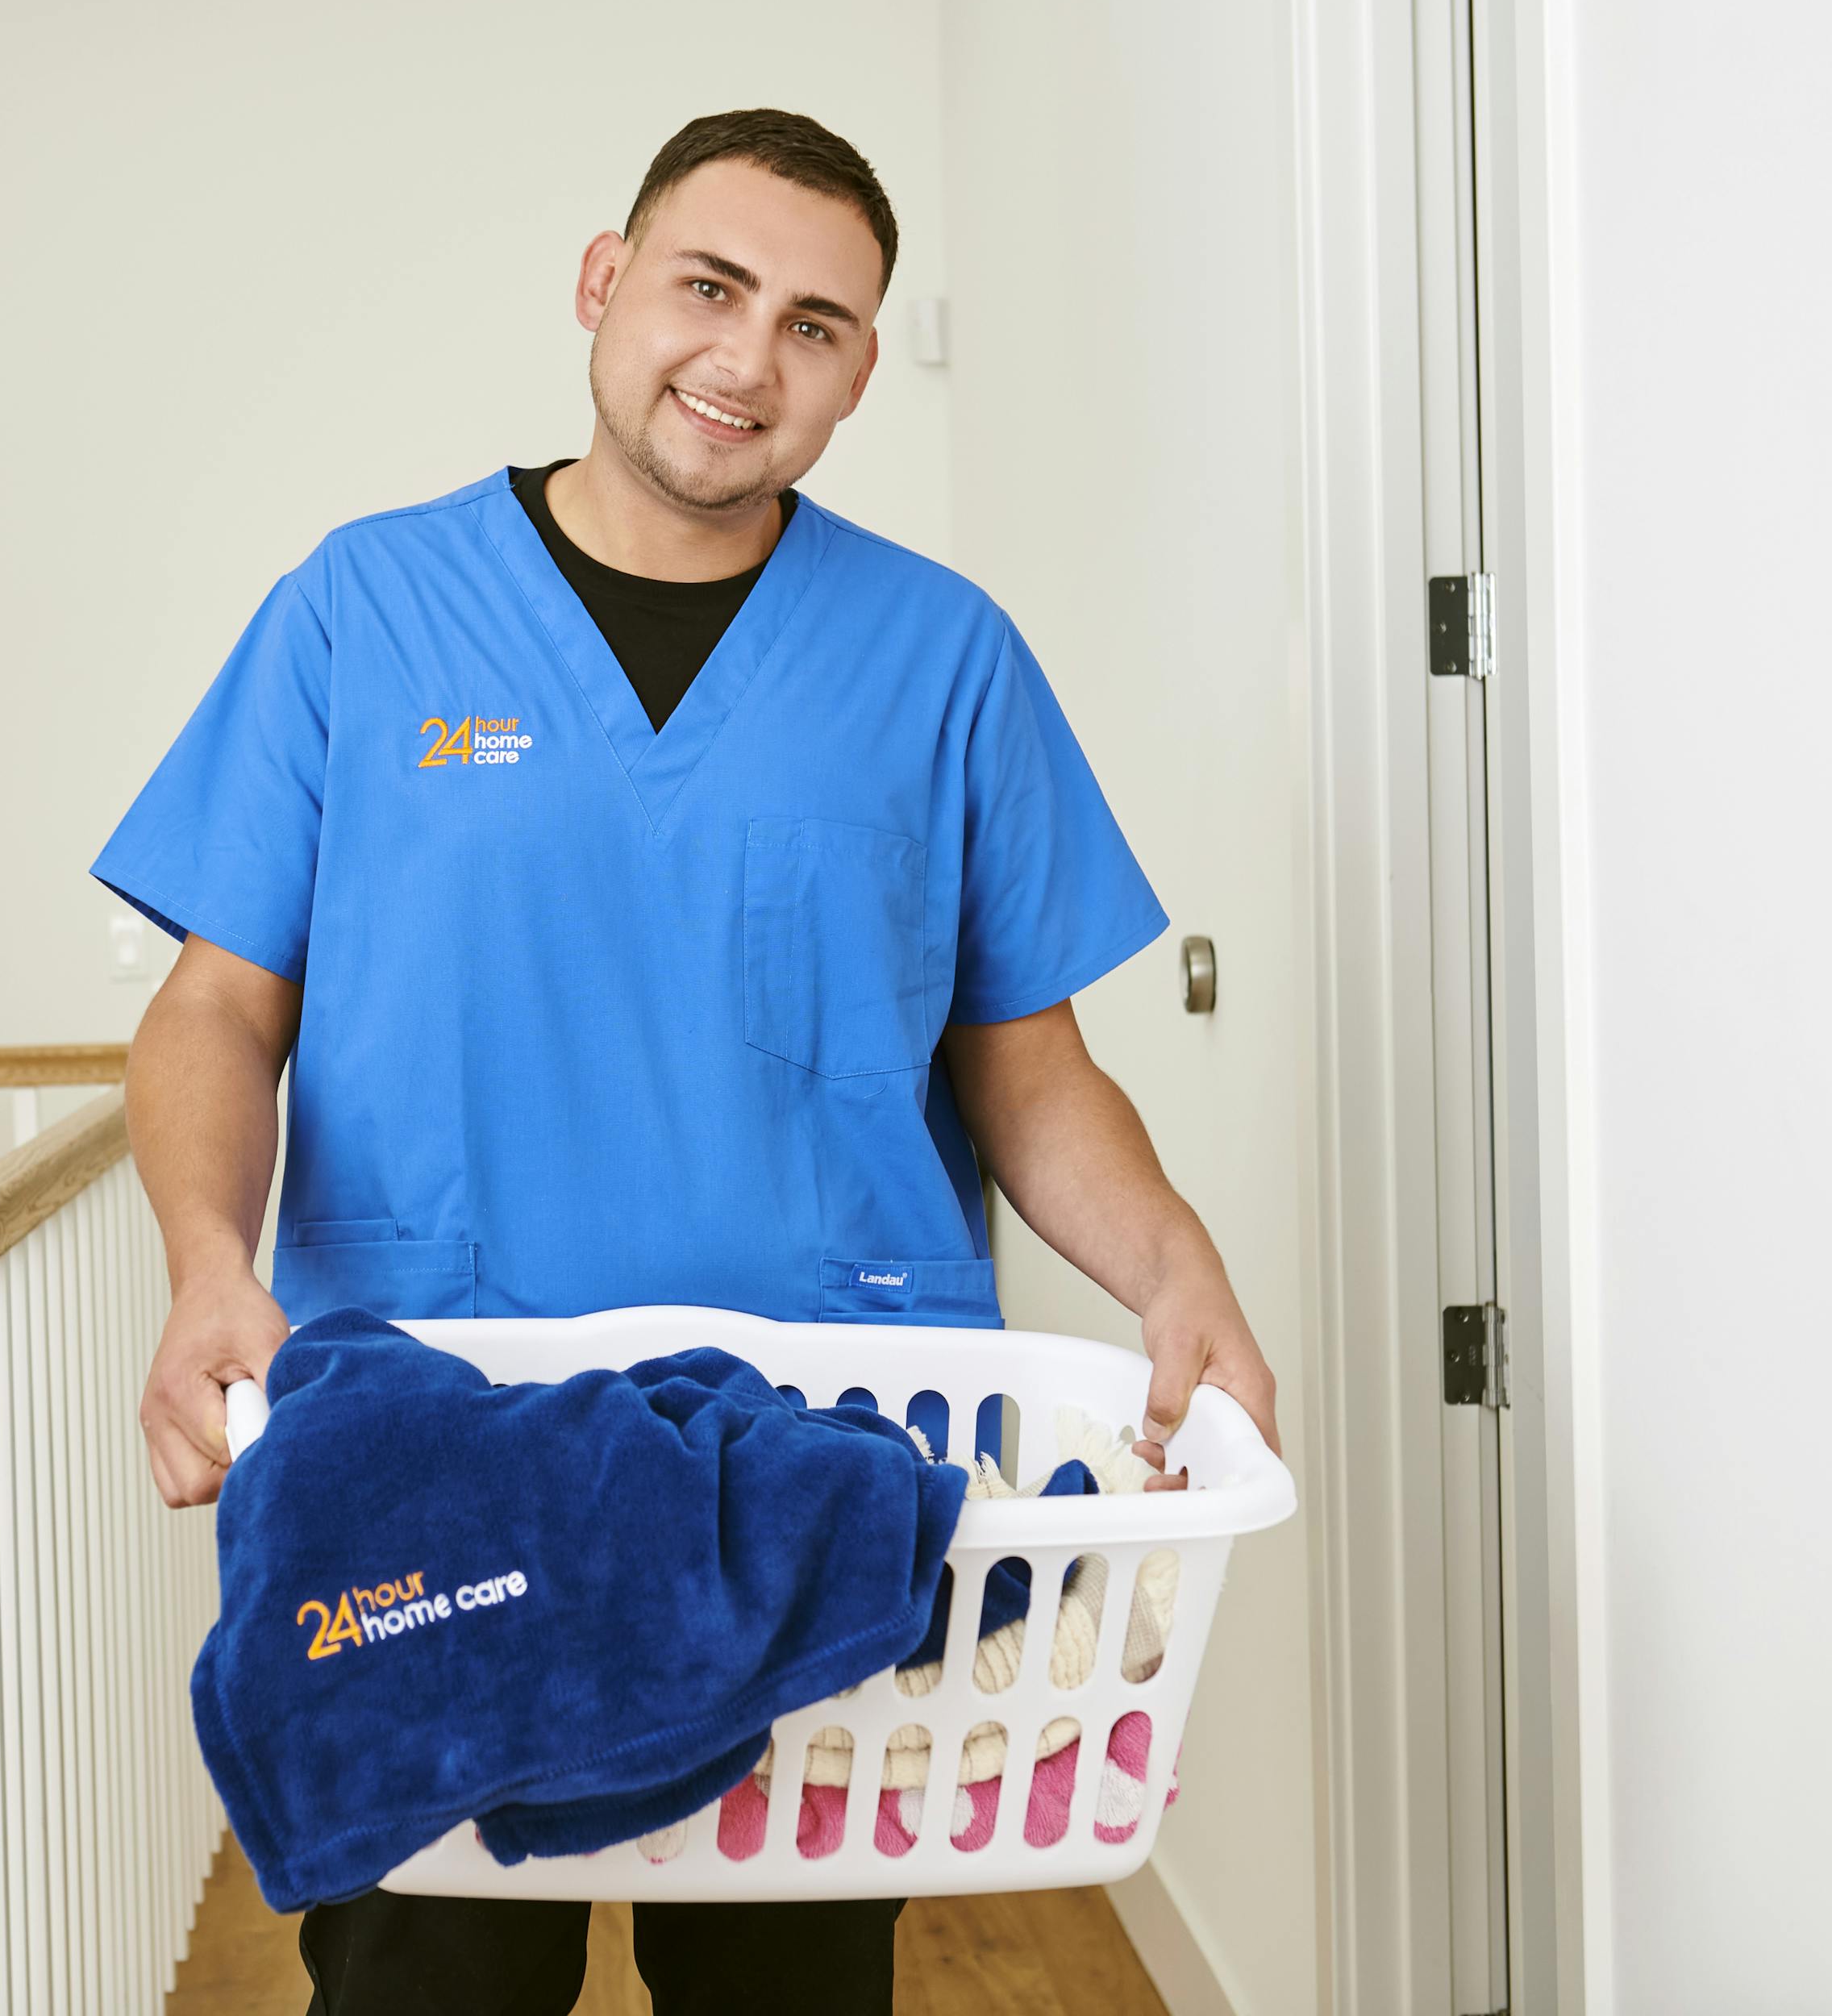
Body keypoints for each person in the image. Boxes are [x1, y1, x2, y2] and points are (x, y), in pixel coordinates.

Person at [93, 107, 1280, 2016]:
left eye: (815, 323)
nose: (746, 358)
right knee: (427, 1982)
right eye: (707, 287)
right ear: (604, 283)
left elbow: (1029, 1064)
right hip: (438, 1438)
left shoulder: (940, 657)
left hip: (819, 1456)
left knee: (794, 1989)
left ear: (860, 373)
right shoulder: (362, 613)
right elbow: (218, 1008)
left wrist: (1176, 1266)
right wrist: (205, 1262)